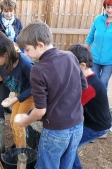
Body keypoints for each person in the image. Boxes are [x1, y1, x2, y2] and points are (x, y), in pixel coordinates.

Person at [15, 20, 87, 168]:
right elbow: (83, 85)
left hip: (56, 131)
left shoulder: (38, 70)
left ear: (40, 45)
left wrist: (26, 120)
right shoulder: (70, 56)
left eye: (27, 50)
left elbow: (40, 111)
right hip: (78, 125)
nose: (25, 54)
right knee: (65, 165)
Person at [68, 44, 112, 169]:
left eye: (70, 66)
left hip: (96, 126)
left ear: (82, 65)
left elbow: (70, 107)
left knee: (70, 145)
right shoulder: (83, 78)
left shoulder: (90, 86)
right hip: (87, 121)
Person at [84, 0, 112, 89]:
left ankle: (101, 102)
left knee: (102, 83)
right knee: (93, 81)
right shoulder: (98, 19)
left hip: (110, 60)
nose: (110, 10)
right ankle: (92, 101)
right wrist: (84, 49)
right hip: (94, 57)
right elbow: (90, 36)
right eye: (108, 7)